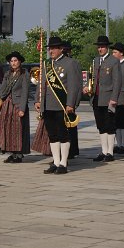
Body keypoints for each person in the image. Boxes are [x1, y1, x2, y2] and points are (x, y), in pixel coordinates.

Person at [35, 36, 81, 174]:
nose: (51, 51)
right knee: (52, 135)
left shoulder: (70, 63)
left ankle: (63, 163)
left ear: (61, 49)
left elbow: (73, 86)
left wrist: (71, 104)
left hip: (62, 105)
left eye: (54, 48)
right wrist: (38, 99)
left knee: (63, 135)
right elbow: (41, 83)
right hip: (47, 104)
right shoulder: (47, 64)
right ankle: (55, 162)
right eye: (50, 48)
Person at [85, 35, 121, 162]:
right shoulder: (95, 61)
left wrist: (114, 98)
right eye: (98, 47)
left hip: (108, 97)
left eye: (102, 47)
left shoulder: (113, 61)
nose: (100, 49)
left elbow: (117, 81)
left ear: (107, 48)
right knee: (100, 125)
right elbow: (92, 78)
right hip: (97, 97)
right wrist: (88, 88)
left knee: (109, 124)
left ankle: (110, 152)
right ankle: (103, 150)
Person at [0, 52, 30, 163]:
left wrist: (22, 108)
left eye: (15, 61)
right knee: (7, 129)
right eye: (11, 61)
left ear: (20, 62)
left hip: (18, 104)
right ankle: (12, 153)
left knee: (18, 130)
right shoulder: (7, 74)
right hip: (7, 104)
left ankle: (18, 154)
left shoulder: (24, 74)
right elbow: (2, 89)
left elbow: (25, 92)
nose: (13, 63)